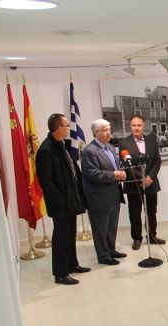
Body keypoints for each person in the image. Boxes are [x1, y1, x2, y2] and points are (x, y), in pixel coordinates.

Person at [35, 113, 89, 285]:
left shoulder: (61, 146)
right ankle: (60, 273)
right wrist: (60, 200)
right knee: (60, 237)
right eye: (66, 125)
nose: (69, 128)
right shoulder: (46, 150)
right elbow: (46, 181)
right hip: (61, 203)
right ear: (59, 128)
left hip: (71, 200)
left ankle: (72, 264)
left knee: (70, 234)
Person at [81, 119, 127, 265]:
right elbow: (92, 173)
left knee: (112, 226)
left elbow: (115, 167)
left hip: (113, 194)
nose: (109, 133)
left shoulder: (111, 148)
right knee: (100, 228)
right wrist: (114, 175)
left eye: (109, 129)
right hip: (98, 198)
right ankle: (103, 256)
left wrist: (122, 173)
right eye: (105, 130)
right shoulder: (89, 151)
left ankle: (111, 250)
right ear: (96, 132)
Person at [119, 114, 165, 250]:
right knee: (135, 213)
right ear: (130, 126)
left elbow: (157, 161)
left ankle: (152, 236)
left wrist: (150, 177)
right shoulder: (123, 143)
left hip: (151, 183)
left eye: (139, 125)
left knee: (151, 212)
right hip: (134, 184)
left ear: (143, 126)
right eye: (134, 125)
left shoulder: (151, 141)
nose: (136, 128)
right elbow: (127, 165)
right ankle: (137, 238)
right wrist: (142, 178)